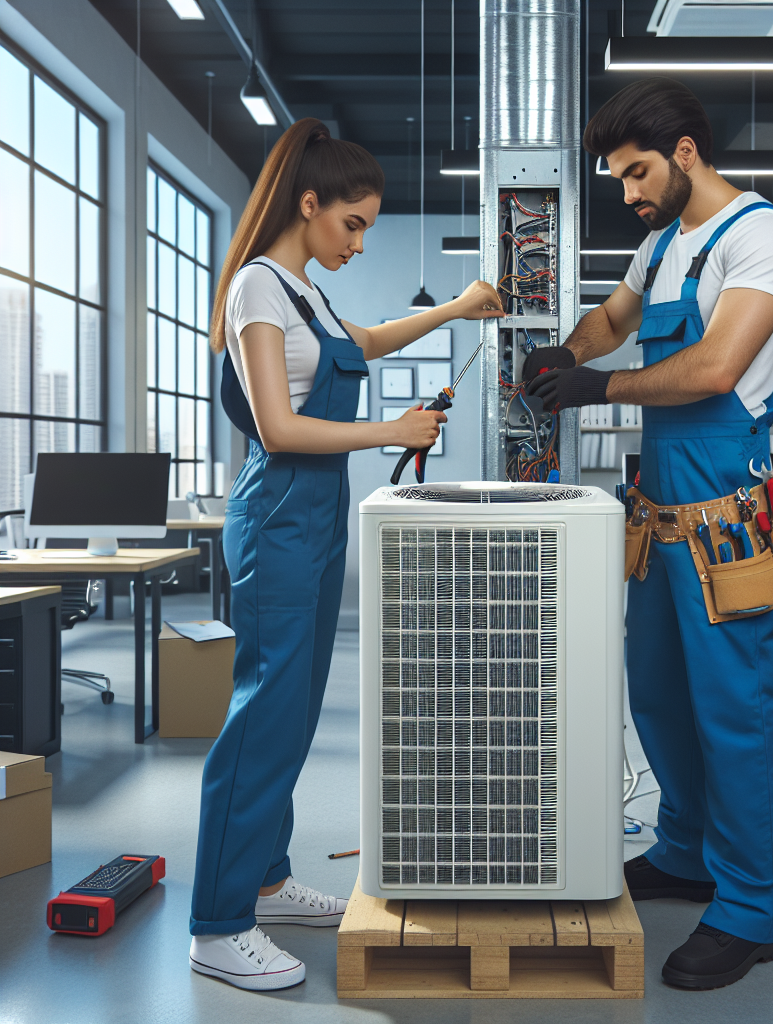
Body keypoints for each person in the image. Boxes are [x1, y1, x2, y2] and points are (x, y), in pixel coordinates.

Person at [189, 118, 503, 992]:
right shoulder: (258, 287)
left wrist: (455, 308)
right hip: (281, 512)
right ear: (309, 204)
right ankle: (216, 925)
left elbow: (360, 343)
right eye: (352, 225)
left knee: (292, 710)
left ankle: (266, 880)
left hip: (317, 516)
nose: (361, 243)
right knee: (263, 715)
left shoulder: (304, 292)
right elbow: (281, 426)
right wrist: (391, 432)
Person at [526, 79, 773, 990]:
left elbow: (719, 365)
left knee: (734, 706)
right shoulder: (661, 243)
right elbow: (615, 320)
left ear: (685, 152)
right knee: (656, 690)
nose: (630, 193)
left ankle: (754, 907)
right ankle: (687, 850)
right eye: (618, 178)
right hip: (657, 511)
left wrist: (600, 390)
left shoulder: (761, 236)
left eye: (638, 172)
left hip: (726, 511)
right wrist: (569, 354)